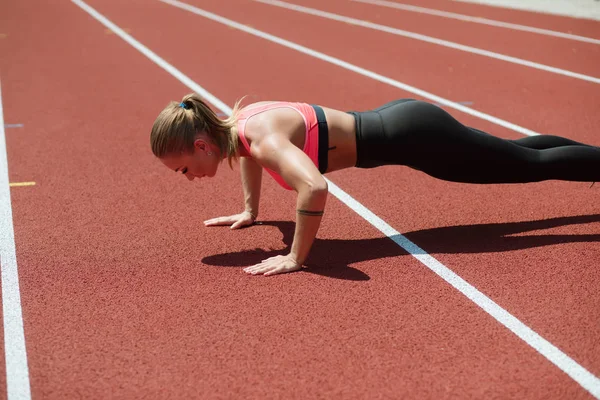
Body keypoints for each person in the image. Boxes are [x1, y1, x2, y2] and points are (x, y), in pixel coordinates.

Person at [150, 93, 600, 276]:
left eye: (183, 168)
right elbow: (246, 157)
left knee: (522, 164)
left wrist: (295, 256)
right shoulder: (239, 127)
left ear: (202, 144)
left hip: (417, 139)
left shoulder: (261, 140)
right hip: (405, 128)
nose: (187, 178)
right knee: (516, 153)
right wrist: (251, 211)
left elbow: (315, 187)